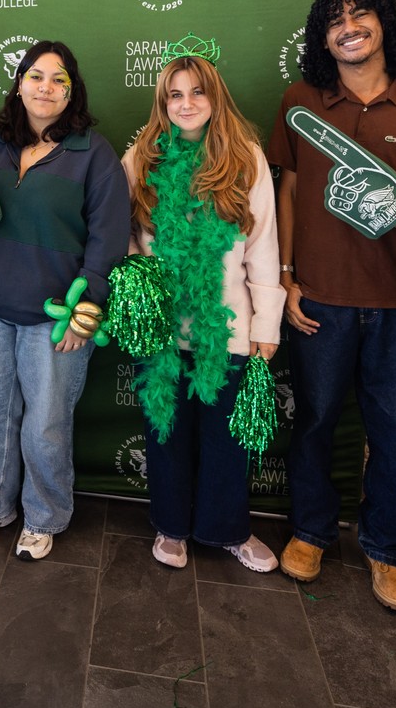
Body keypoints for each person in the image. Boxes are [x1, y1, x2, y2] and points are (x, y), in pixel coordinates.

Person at [267, 0, 396, 612]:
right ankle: (310, 533)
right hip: (321, 297)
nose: (349, 27)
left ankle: (386, 550)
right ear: (321, 38)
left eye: (361, 15)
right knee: (317, 424)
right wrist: (287, 276)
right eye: (335, 20)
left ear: (385, 23)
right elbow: (290, 192)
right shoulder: (302, 99)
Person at [0, 40, 130, 561]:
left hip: (56, 317)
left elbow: (109, 236)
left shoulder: (93, 152)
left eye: (59, 80)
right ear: (19, 84)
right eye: (36, 76)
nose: (46, 87)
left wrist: (86, 310)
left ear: (71, 91)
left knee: (47, 422)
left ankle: (44, 516)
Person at [122, 49, 284, 572]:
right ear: (162, 103)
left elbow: (263, 247)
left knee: (226, 439)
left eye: (197, 91)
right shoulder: (139, 159)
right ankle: (171, 527)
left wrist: (267, 323)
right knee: (165, 434)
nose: (186, 102)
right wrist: (137, 303)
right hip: (162, 329)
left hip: (229, 326)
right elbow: (123, 241)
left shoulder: (246, 157)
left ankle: (228, 530)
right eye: (175, 94)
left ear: (214, 97)